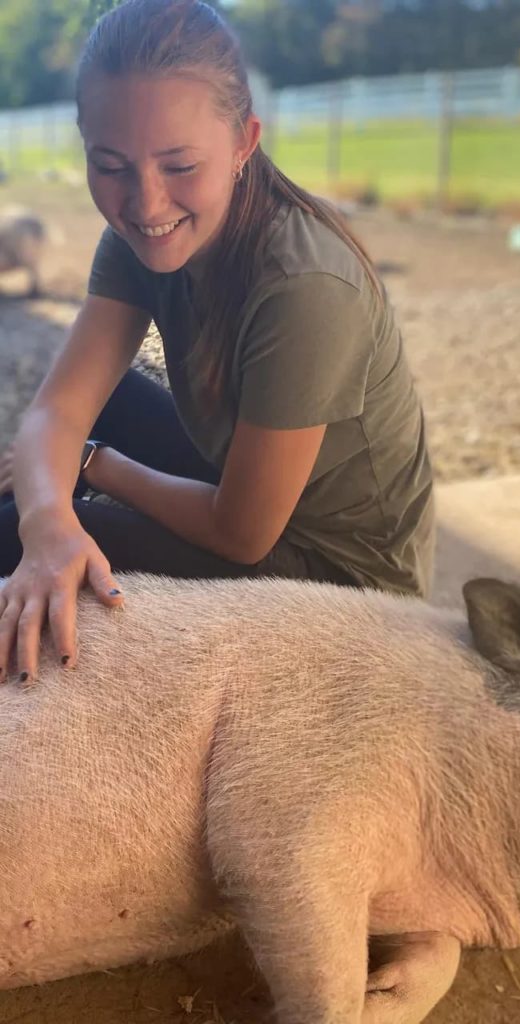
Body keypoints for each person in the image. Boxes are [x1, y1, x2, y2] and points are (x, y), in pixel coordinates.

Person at [0, 0, 434, 683]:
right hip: (248, 489)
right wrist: (49, 522)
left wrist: (93, 469)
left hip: (340, 577)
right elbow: (56, 412)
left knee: (12, 527)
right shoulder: (134, 241)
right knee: (40, 506)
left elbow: (243, 533)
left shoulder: (306, 286)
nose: (145, 205)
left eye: (179, 166)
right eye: (110, 166)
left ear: (243, 142)